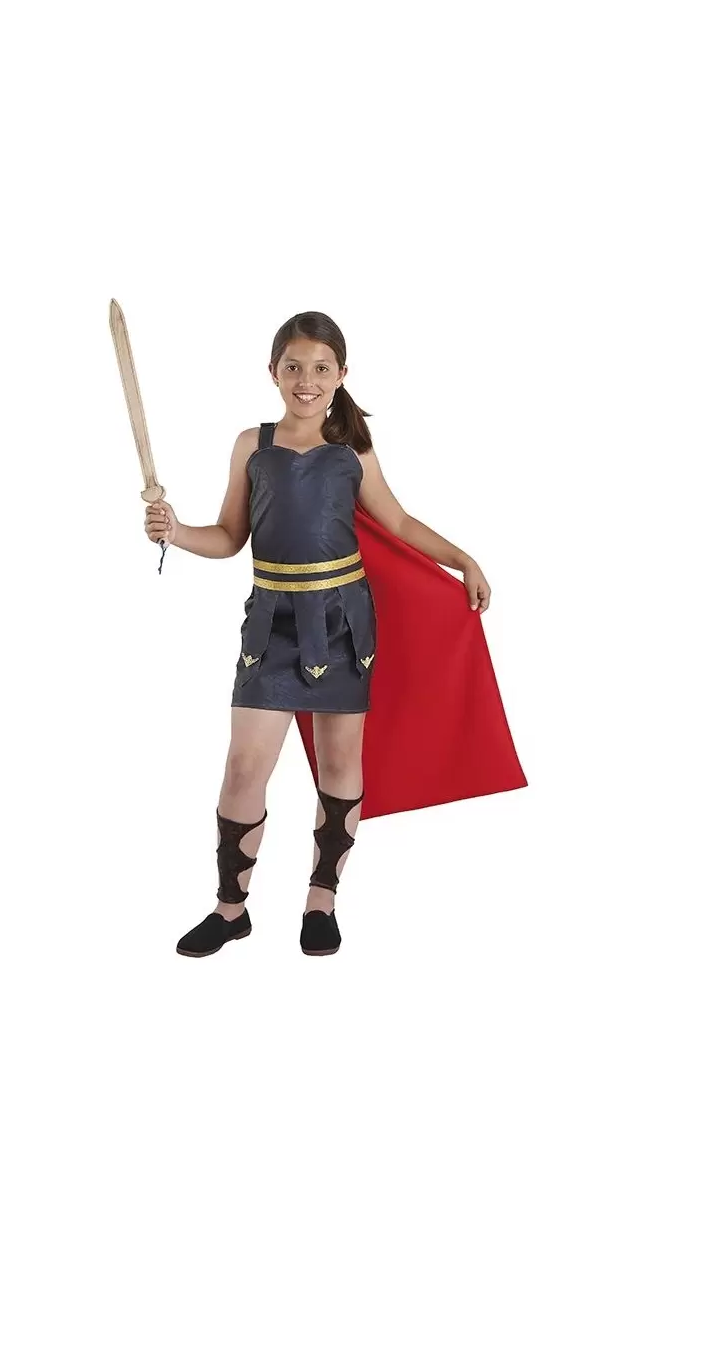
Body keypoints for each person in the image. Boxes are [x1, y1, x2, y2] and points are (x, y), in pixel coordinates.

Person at [142, 311, 499, 959]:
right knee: (244, 766)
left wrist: (463, 559)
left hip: (342, 625)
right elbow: (228, 537)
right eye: (293, 367)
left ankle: (321, 901)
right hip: (271, 624)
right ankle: (230, 909)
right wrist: (178, 531)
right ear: (273, 372)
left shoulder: (352, 450)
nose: (306, 380)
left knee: (339, 763)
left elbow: (399, 522)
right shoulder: (252, 445)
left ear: (341, 374)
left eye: (320, 368)